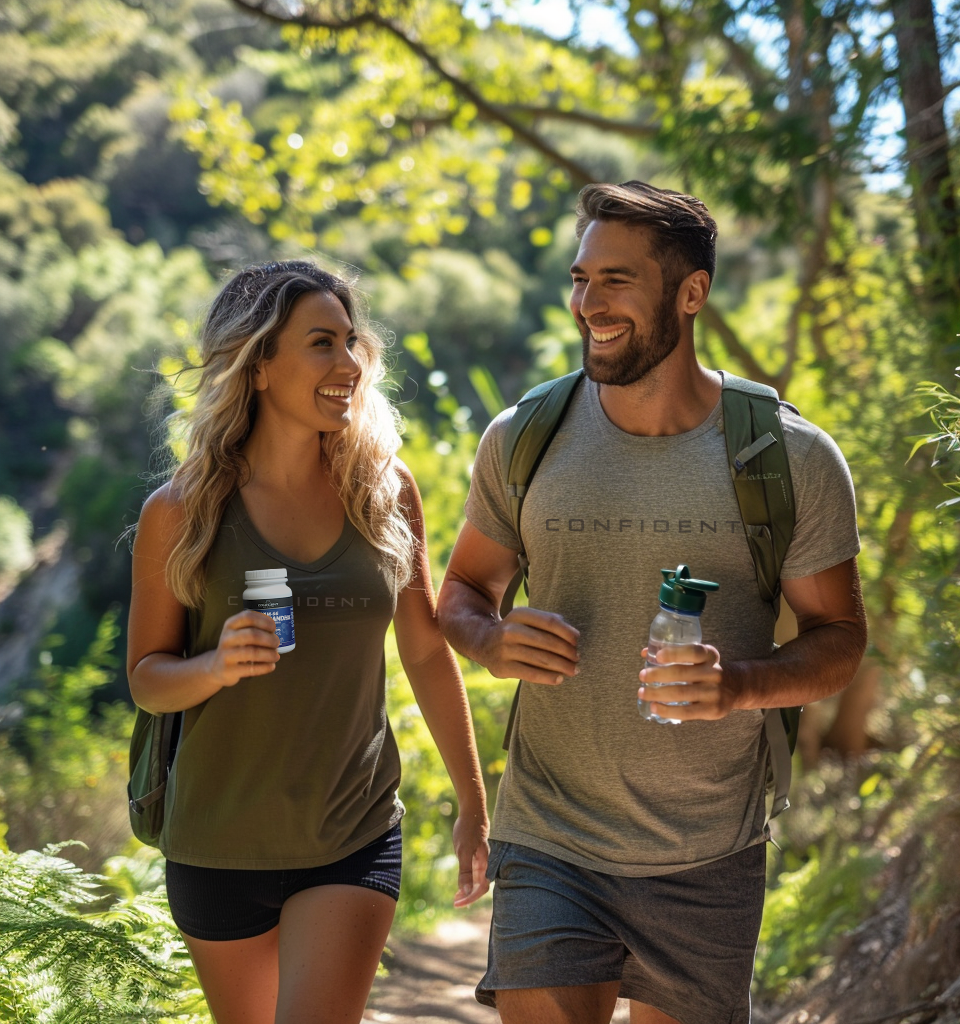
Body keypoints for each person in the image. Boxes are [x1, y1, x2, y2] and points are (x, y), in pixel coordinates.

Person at [436, 181, 867, 1024]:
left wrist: (740, 685)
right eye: (579, 278)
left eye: (616, 281)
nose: (586, 303)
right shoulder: (522, 437)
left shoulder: (789, 456)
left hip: (710, 850)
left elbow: (840, 639)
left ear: (691, 292)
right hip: (551, 831)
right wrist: (487, 640)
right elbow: (460, 590)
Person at [127, 259, 490, 1024]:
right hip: (217, 842)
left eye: (352, 342)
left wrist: (474, 801)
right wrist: (216, 665)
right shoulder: (183, 511)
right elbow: (148, 678)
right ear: (258, 366)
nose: (349, 363)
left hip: (351, 830)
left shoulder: (383, 491)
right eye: (321, 343)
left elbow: (424, 649)